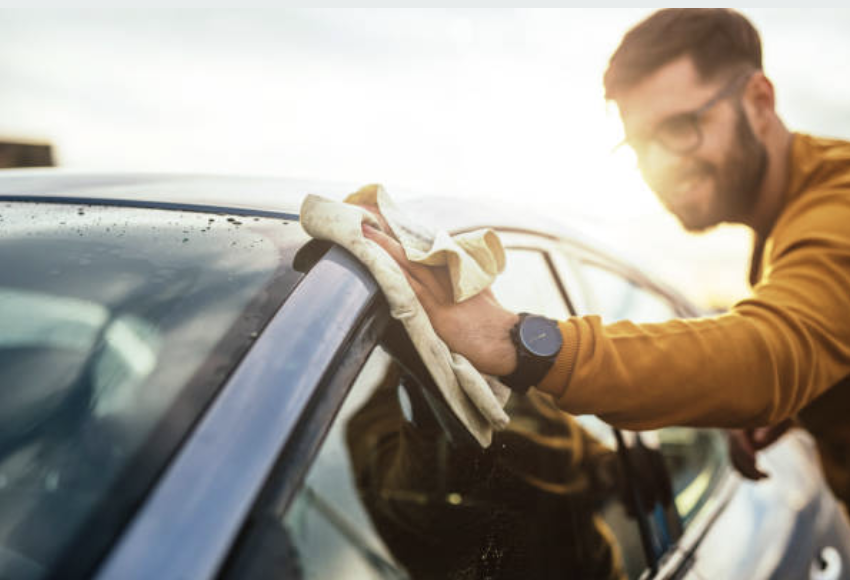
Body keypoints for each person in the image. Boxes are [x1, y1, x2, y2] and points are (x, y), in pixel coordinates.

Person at [363, 8, 850, 511]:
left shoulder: (839, 200)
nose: (661, 166)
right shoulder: (794, 214)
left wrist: (518, 342)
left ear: (759, 101)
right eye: (640, 146)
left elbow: (769, 354)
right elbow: (805, 338)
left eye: (680, 127)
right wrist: (806, 399)